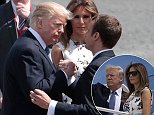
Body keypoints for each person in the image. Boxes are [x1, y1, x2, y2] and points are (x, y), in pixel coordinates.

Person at [30, 14, 122, 115]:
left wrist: (51, 105)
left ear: (96, 36)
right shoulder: (111, 62)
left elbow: (92, 111)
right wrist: (69, 77)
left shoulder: (96, 67)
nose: (85, 34)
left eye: (88, 30)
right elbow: (87, 96)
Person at [1, 2, 74, 115]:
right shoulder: (28, 49)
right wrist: (64, 74)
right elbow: (36, 91)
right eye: (57, 24)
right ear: (40, 23)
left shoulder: (34, 44)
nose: (62, 30)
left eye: (63, 26)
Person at [51, 0, 98, 104]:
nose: (81, 22)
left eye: (86, 17)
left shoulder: (99, 46)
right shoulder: (59, 49)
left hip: (95, 106)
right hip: (69, 106)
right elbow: (58, 83)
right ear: (69, 20)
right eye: (76, 17)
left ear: (93, 19)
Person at [0, 0, 32, 92]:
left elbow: (54, 43)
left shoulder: (44, 12)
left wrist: (30, 18)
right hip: (6, 90)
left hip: (37, 90)